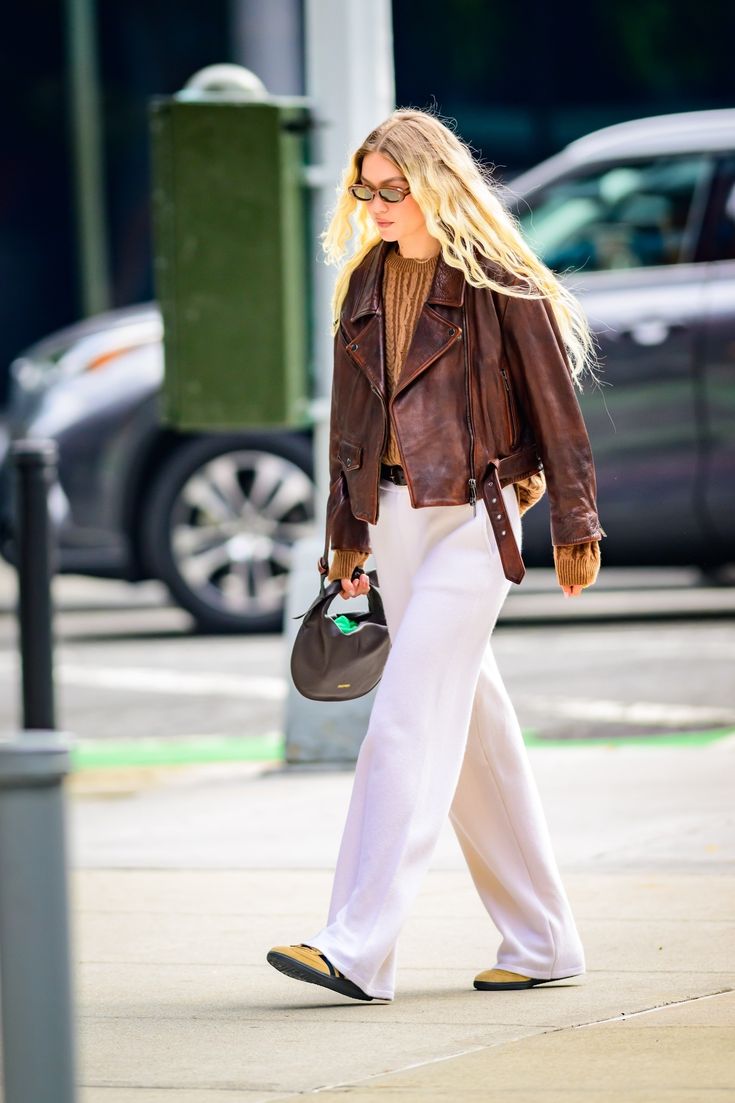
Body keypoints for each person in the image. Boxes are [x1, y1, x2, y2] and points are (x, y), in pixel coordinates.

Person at [267, 107, 606, 1003]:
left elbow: (555, 415)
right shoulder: (363, 289)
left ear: (434, 185)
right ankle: (543, 939)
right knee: (475, 737)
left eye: (393, 188)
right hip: (389, 521)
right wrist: (345, 541)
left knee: (408, 717)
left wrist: (577, 524)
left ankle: (356, 944)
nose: (377, 204)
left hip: (477, 521)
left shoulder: (498, 284)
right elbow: (351, 430)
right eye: (364, 190)